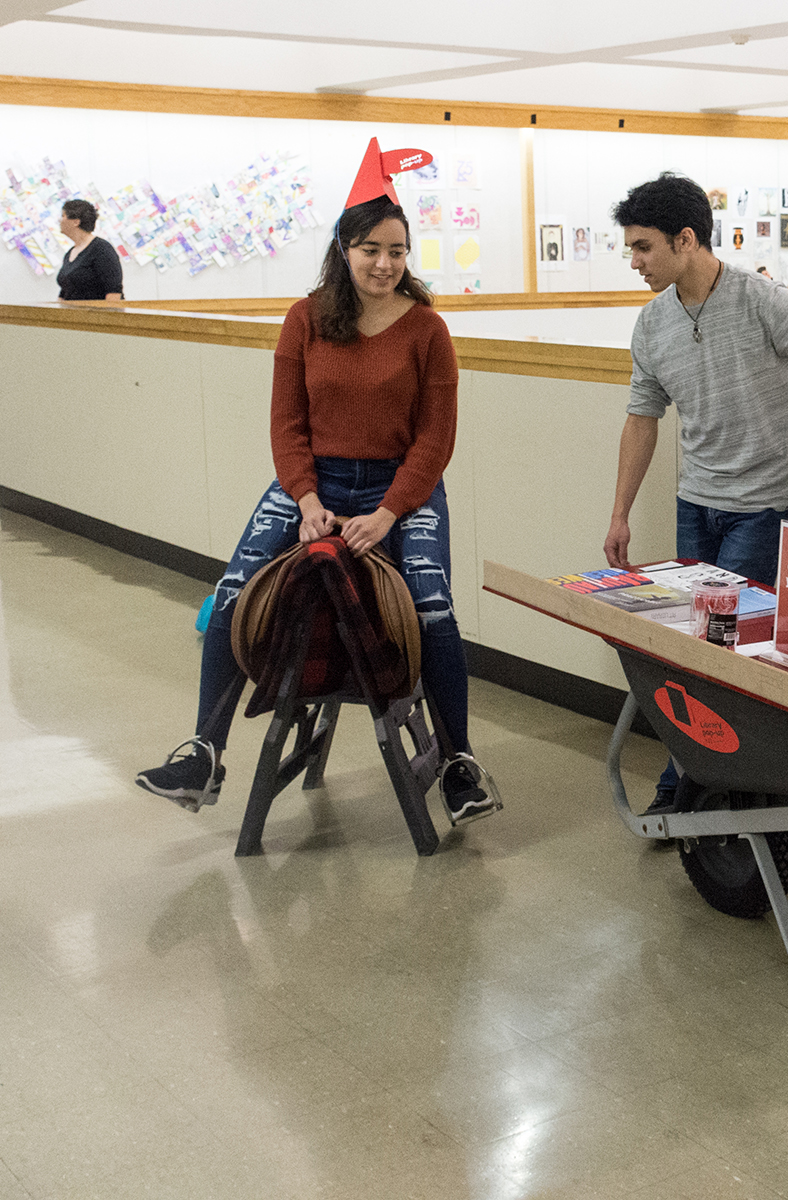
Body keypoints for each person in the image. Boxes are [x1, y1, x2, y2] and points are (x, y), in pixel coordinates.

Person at [136, 139, 498, 826]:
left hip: (401, 487)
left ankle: (458, 763)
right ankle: (203, 755)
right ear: (344, 246)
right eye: (371, 250)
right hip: (314, 481)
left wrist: (389, 513)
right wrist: (306, 499)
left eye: (397, 251)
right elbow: (286, 423)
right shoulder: (305, 318)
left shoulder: (428, 330)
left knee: (432, 608)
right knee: (232, 595)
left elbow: (435, 440)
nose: (385, 264)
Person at [605, 172, 788, 808]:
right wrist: (620, 513)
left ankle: (697, 788)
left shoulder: (761, 300)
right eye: (631, 248)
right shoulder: (652, 325)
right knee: (692, 646)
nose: (636, 262)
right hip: (696, 506)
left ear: (686, 239)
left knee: (720, 651)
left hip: (763, 507)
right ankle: (695, 779)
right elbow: (641, 418)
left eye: (644, 247)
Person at [56, 199, 123, 301]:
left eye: (63, 216)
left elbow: (114, 293)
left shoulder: (102, 249)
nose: (59, 220)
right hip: (71, 315)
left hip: (96, 315)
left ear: (76, 222)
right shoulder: (69, 254)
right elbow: (64, 292)